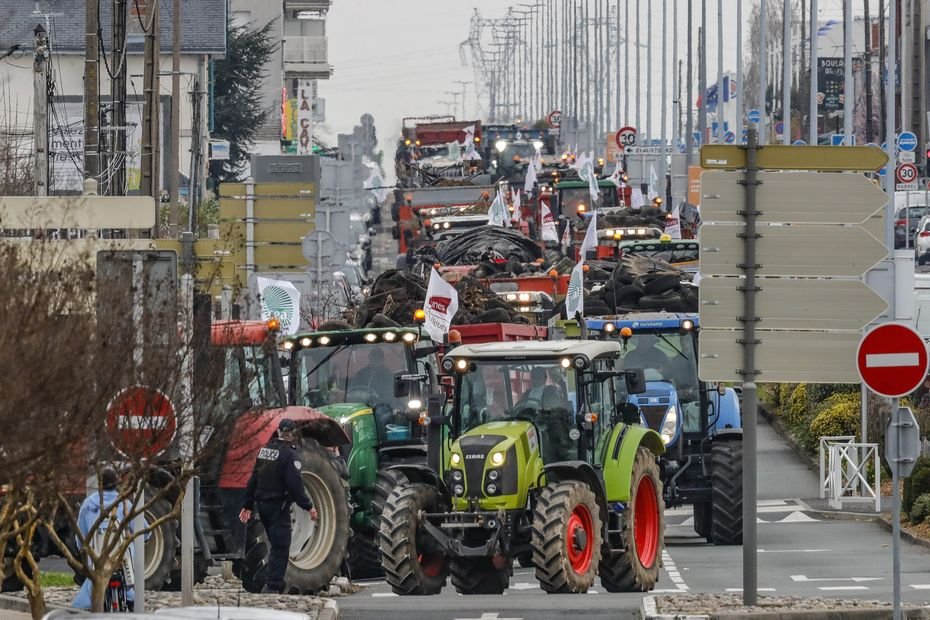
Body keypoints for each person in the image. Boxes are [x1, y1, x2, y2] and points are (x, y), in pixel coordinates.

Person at [239, 419, 317, 594]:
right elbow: (295, 484)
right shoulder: (289, 455)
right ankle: (272, 586)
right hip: (278, 506)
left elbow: (253, 479)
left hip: (262, 506)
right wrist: (308, 507)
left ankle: (274, 582)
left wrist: (247, 504)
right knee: (281, 546)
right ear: (292, 433)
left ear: (279, 432)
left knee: (274, 545)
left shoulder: (265, 451)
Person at [73, 466, 135, 611]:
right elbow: (143, 529)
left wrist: (81, 548)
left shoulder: (88, 505)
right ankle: (130, 602)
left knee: (83, 602)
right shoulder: (125, 503)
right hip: (122, 560)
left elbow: (80, 536)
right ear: (117, 483)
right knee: (132, 592)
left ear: (100, 484)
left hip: (97, 563)